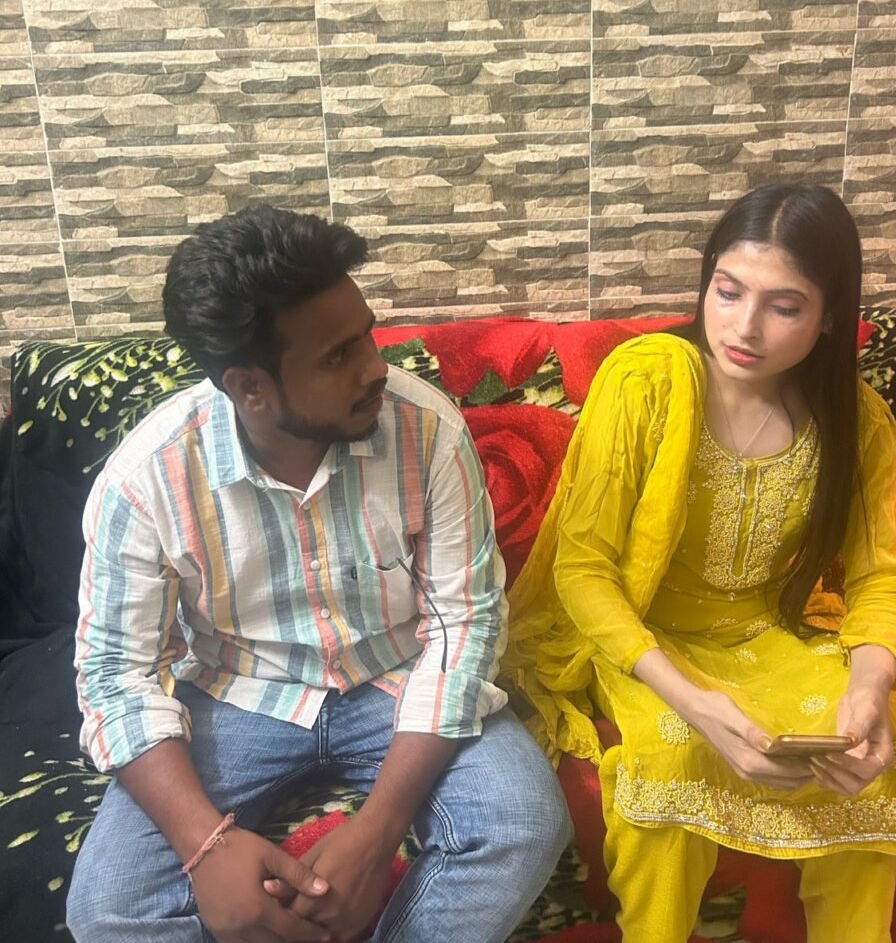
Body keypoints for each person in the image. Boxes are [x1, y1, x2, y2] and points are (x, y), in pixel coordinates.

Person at [66, 205, 571, 943]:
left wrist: (378, 829)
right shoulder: (148, 477)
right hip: (238, 690)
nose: (376, 368)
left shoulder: (426, 428)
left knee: (522, 823)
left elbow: (465, 622)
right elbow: (116, 674)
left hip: (398, 674)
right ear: (251, 388)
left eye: (366, 334)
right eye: (338, 358)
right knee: (110, 908)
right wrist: (206, 848)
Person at [502, 184, 896, 942]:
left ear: (828, 317)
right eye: (728, 290)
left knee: (895, 738)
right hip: (640, 637)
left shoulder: (857, 422)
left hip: (766, 633)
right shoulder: (648, 381)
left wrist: (870, 685)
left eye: (784, 306)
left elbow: (882, 579)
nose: (743, 327)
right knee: (675, 752)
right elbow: (585, 570)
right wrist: (698, 704)